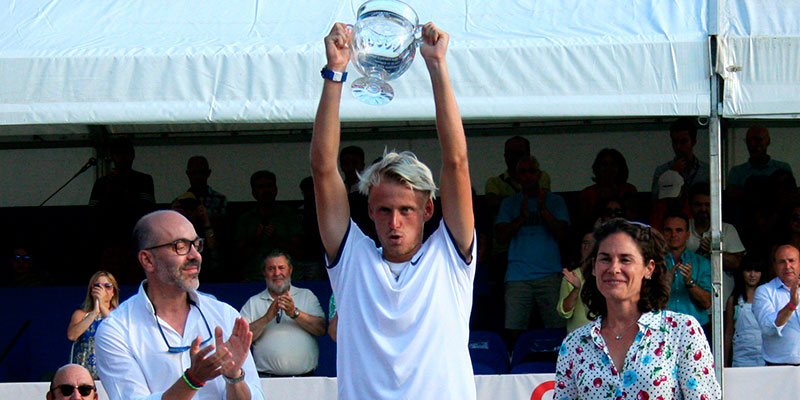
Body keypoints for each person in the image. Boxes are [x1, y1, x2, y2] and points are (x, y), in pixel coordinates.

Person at [311, 22, 476, 399]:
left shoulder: (450, 257)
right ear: (369, 210)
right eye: (384, 210)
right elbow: (323, 169)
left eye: (406, 210)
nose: (394, 222)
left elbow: (457, 162)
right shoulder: (352, 258)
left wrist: (437, 66)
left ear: (429, 209)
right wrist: (336, 70)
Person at [95, 210, 264, 400]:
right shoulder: (116, 330)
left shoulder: (224, 315)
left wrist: (234, 377)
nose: (195, 255)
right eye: (180, 246)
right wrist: (192, 380)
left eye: (196, 244)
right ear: (147, 260)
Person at [554, 219, 720, 400]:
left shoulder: (682, 330)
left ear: (649, 268)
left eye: (625, 259)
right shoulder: (575, 343)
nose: (614, 268)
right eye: (605, 259)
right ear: (594, 267)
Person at [496, 156, 569, 335]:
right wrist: (521, 217)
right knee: (513, 331)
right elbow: (500, 237)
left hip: (550, 273)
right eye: (523, 172)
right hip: (517, 275)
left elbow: (563, 234)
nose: (527, 176)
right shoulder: (509, 203)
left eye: (531, 172)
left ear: (540, 175)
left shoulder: (555, 201)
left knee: (556, 330)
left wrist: (543, 210)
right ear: (517, 176)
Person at [240, 250, 325, 376]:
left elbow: (321, 329)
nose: (277, 273)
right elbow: (240, 339)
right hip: (267, 380)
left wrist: (294, 313)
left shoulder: (306, 295)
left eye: (281, 268)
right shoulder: (253, 302)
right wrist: (266, 318)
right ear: (264, 272)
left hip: (305, 381)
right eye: (271, 269)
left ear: (290, 270)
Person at [234, 170, 302, 282]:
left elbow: (299, 252)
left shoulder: (288, 215)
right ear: (253, 192)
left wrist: (276, 239)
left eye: (269, 186)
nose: (266, 190)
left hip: (286, 281)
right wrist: (255, 240)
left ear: (276, 189)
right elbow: (237, 257)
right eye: (261, 187)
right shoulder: (245, 219)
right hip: (253, 279)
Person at [687, 182, 746, 303]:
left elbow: (737, 263)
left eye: (708, 205)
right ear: (690, 206)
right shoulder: (681, 228)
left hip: (722, 301)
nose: (703, 209)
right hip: (690, 303)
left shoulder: (727, 229)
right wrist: (697, 256)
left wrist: (713, 251)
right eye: (698, 204)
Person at [662, 213, 713, 338]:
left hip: (695, 329)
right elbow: (643, 300)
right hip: (662, 328)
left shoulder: (702, 263)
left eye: (679, 230)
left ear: (687, 235)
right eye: (669, 230)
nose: (673, 235)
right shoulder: (653, 263)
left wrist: (690, 282)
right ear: (662, 233)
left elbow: (707, 303)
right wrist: (664, 284)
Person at [753, 244, 800, 365]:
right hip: (779, 367)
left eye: (791, 261)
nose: (787, 266)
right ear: (774, 266)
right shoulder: (764, 291)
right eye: (782, 262)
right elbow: (768, 328)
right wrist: (791, 306)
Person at [67, 271, 119, 379]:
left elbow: (118, 330)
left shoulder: (119, 314)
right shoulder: (81, 314)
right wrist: (94, 312)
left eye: (107, 286)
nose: (102, 289)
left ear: (113, 292)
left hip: (111, 372)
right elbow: (72, 335)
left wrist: (102, 305)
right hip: (84, 372)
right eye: (97, 286)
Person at [650, 117, 709, 201]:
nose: (678, 147)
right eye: (674, 142)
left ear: (693, 142)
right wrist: (671, 174)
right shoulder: (662, 171)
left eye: (683, 141)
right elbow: (655, 200)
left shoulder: (707, 171)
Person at [724, 254, 767, 367]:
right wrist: (723, 362)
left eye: (757, 271)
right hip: (740, 357)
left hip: (764, 356)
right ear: (742, 272)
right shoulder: (734, 300)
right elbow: (728, 333)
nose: (752, 275)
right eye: (748, 270)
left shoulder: (768, 299)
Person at [577, 148, 637, 226]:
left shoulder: (629, 190)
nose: (608, 168)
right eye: (604, 164)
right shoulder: (587, 193)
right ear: (597, 168)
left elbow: (632, 220)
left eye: (613, 165)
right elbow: (582, 224)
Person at [557, 228, 595, 332]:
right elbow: (564, 312)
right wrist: (576, 290)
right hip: (578, 341)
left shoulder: (607, 276)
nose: (587, 247)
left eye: (593, 243)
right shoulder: (572, 275)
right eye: (585, 243)